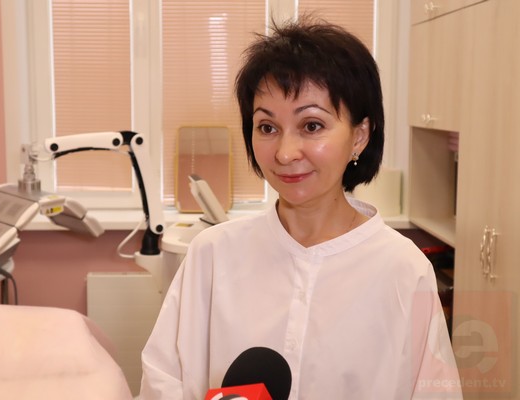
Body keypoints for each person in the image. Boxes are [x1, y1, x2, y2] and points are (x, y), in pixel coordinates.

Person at [140, 18, 461, 399]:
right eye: (267, 127)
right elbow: (163, 381)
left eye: (311, 126)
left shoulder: (403, 270)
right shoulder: (212, 255)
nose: (285, 153)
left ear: (359, 136)